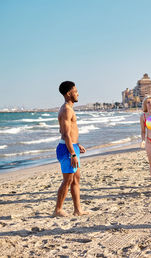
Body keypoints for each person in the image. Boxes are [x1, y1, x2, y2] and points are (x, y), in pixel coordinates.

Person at [54, 81, 88, 217]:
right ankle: (58, 210)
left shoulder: (69, 108)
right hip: (67, 149)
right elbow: (65, 134)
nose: (78, 93)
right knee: (67, 180)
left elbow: (69, 133)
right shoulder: (66, 110)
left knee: (76, 180)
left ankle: (77, 210)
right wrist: (73, 153)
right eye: (75, 91)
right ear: (69, 93)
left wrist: (76, 145)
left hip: (72, 147)